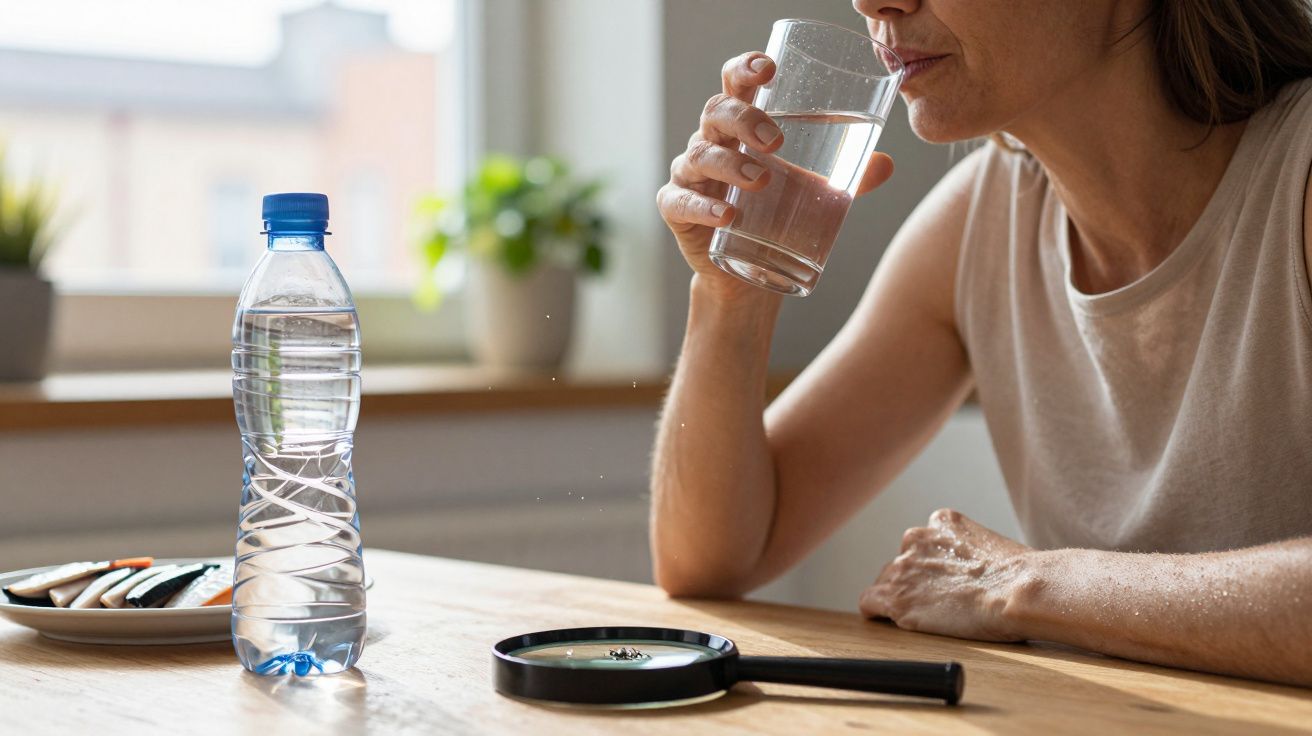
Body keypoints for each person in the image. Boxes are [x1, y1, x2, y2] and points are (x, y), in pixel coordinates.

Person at [651, 0, 1312, 687]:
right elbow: (714, 558)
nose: (873, 2)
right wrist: (731, 292)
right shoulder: (981, 219)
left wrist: (1024, 585)